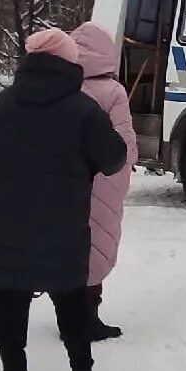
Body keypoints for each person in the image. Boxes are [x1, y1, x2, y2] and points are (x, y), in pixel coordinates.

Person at [0, 28, 128, 371]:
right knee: (71, 301)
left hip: (2, 225)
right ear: (69, 62)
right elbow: (114, 158)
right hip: (64, 225)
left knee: (10, 303)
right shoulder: (84, 109)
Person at [71, 22, 138, 341]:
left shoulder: (63, 86)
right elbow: (124, 142)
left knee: (71, 243)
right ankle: (88, 317)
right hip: (104, 175)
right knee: (100, 239)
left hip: (68, 177)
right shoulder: (113, 91)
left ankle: (68, 314)